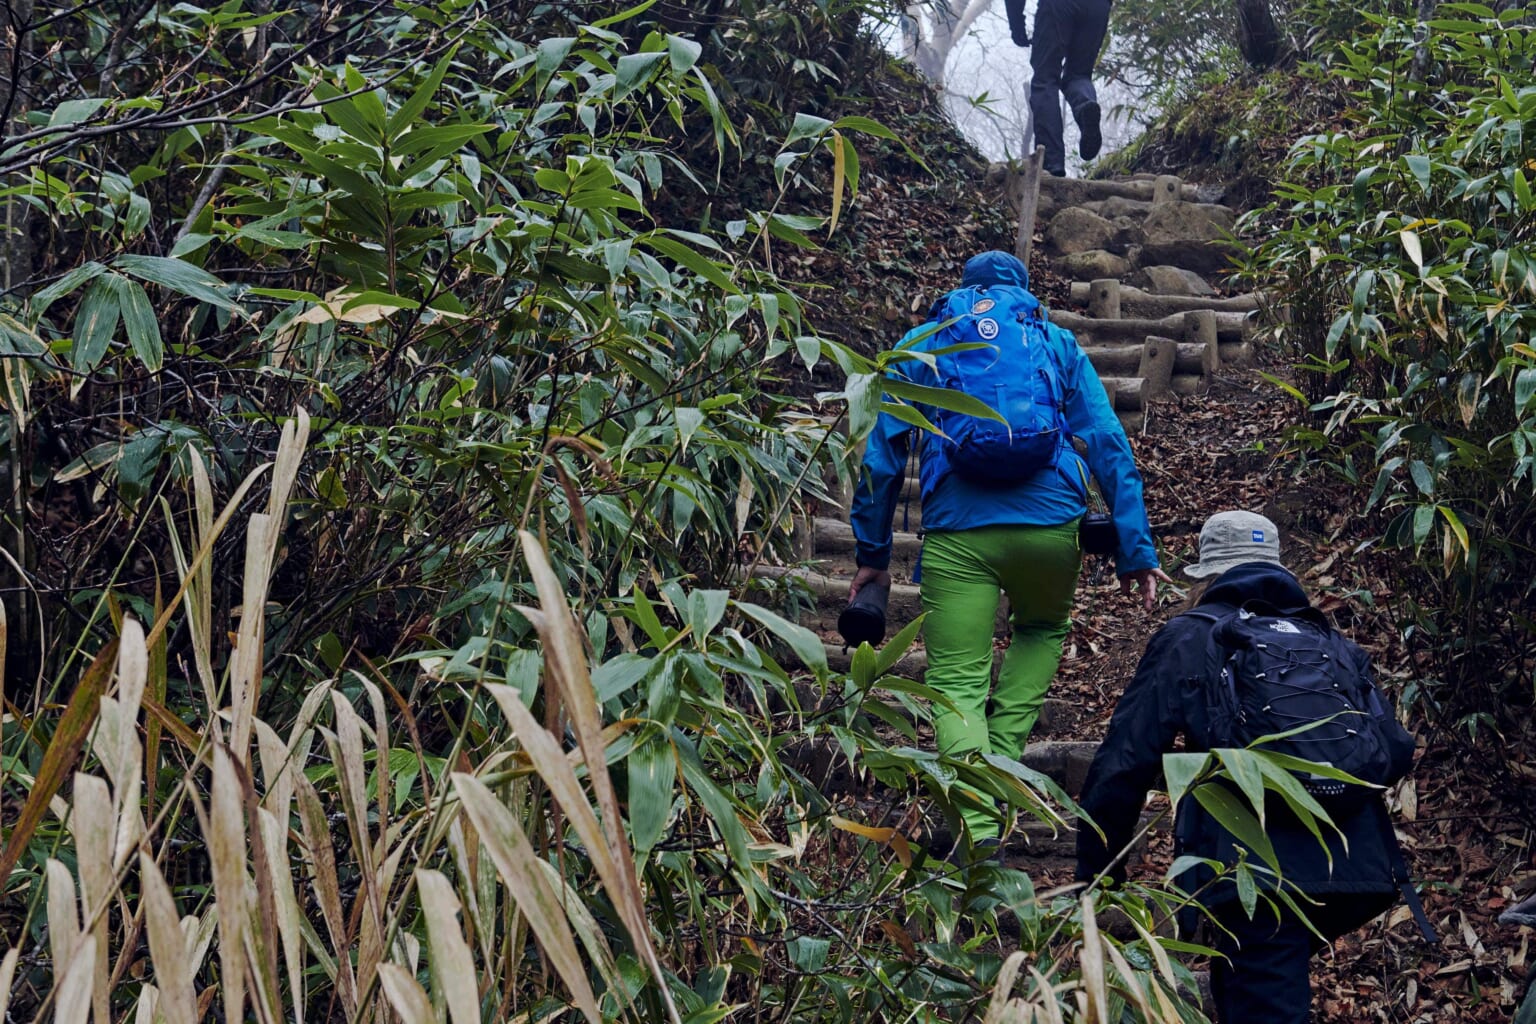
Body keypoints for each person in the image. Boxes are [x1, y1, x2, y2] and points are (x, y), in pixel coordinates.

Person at [848, 249, 1168, 848]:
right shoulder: (1052, 339)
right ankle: (999, 770)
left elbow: (880, 458)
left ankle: (976, 825)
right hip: (1050, 529)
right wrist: (1135, 547)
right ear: (1024, 290)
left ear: (961, 290)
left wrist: (872, 552)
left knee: (956, 682)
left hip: (958, 533)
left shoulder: (926, 342)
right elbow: (1107, 442)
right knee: (1042, 630)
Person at [1074, 511, 1421, 1024]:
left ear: (1207, 575)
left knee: (1262, 987)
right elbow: (1393, 748)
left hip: (1254, 870)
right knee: (1254, 984)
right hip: (1355, 864)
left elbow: (1125, 761)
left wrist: (1096, 875)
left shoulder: (1190, 638)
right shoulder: (1330, 643)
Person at [1005, 0, 1112, 177]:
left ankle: (1051, 162)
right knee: (1079, 75)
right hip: (1098, 7)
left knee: (1045, 79)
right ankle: (1085, 107)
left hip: (1058, 6)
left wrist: (1017, 27)